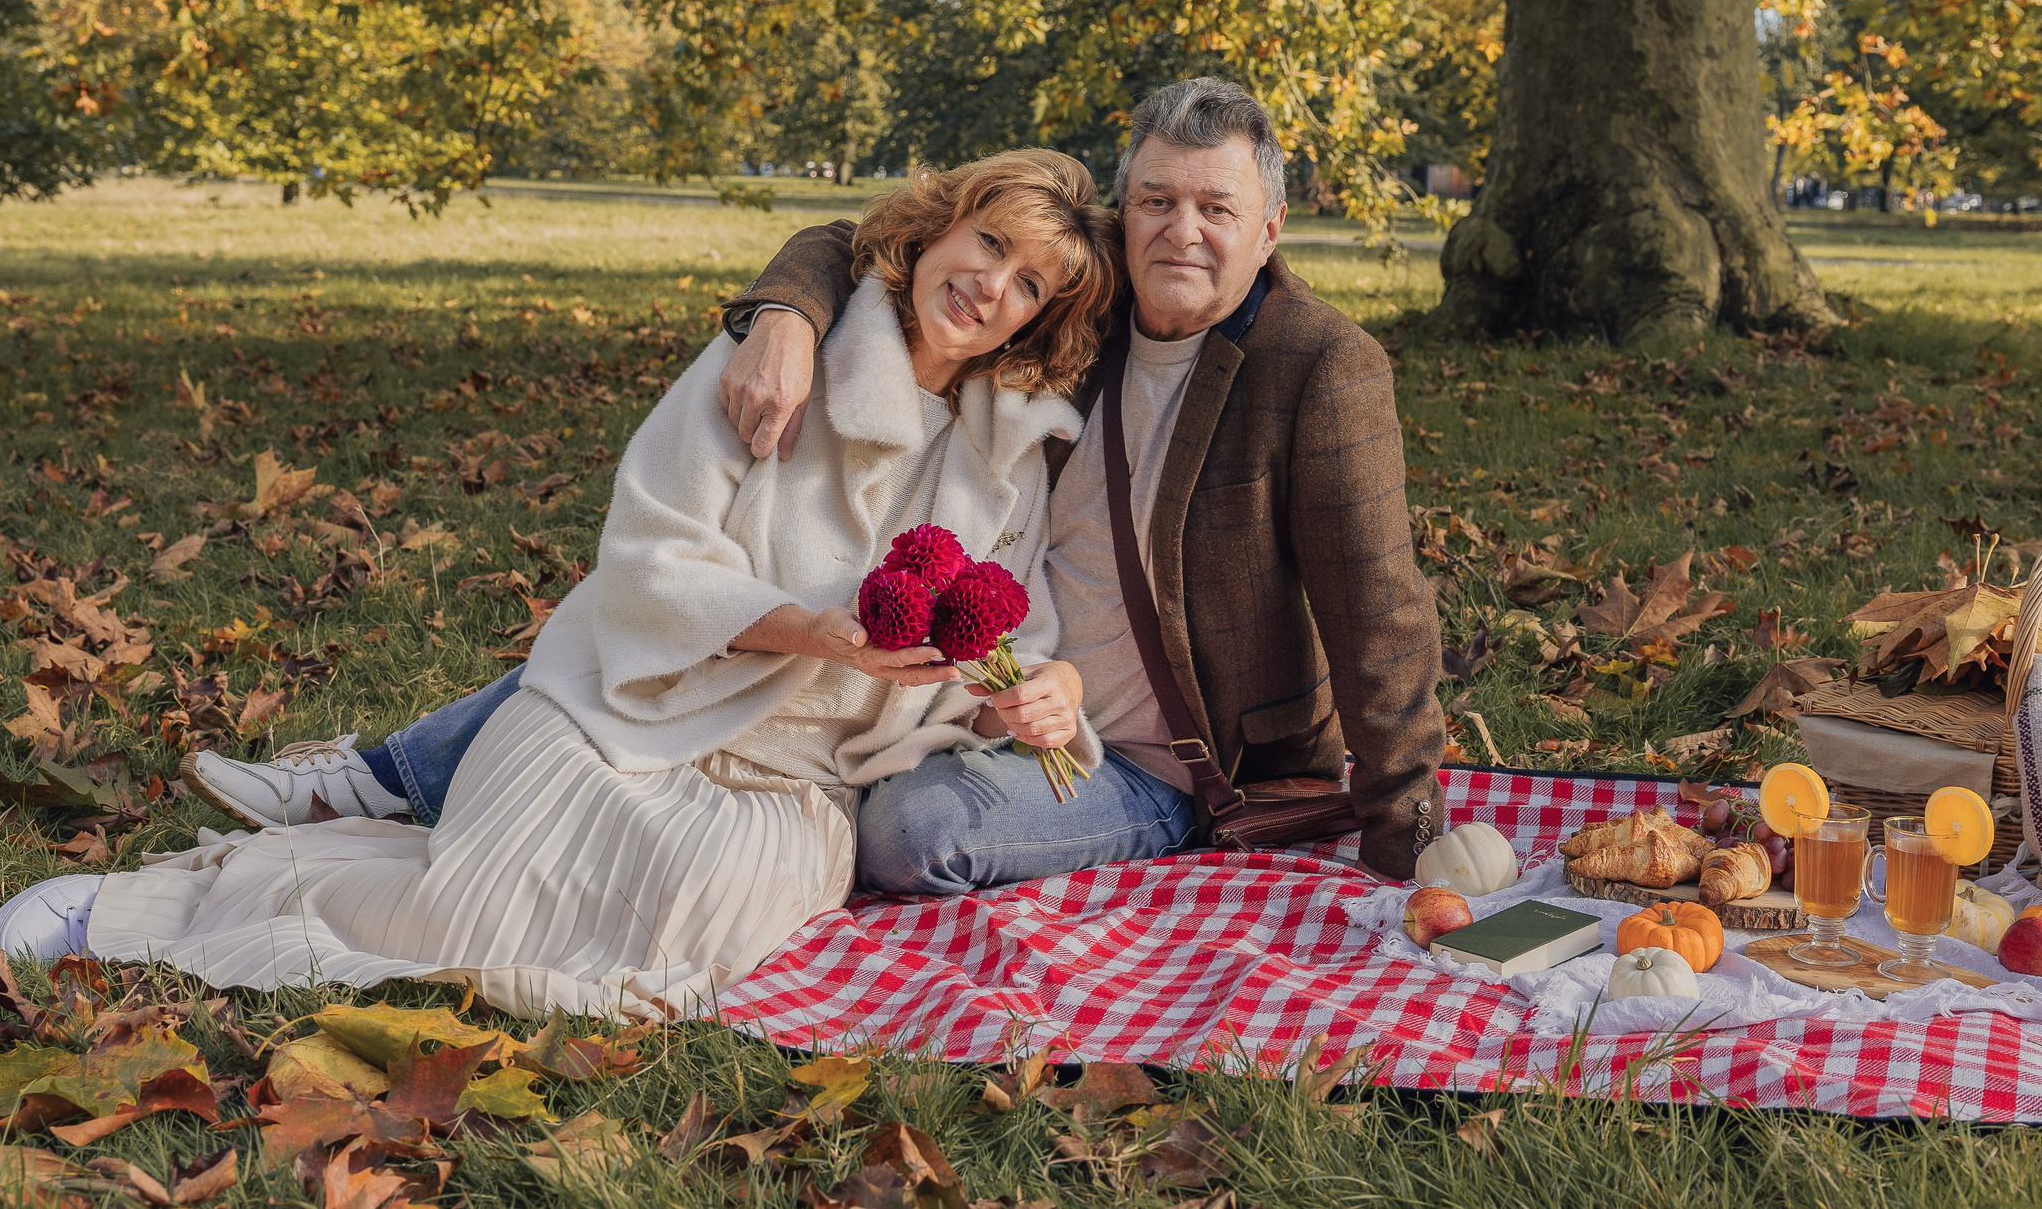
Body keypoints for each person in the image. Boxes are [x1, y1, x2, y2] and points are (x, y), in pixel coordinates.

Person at [159, 78, 1446, 891]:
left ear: (1270, 226)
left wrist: (1407, 834)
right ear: (1121, 221)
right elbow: (872, 238)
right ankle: (387, 773)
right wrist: (778, 313)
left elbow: (1379, 612)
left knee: (903, 838)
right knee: (710, 620)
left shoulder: (1320, 370)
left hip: (1159, 757)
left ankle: (487, 784)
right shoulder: (1081, 303)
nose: (1185, 232)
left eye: (1218, 208)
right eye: (1157, 202)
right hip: (978, 683)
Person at [0, 151, 1120, 1017]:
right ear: (935, 229)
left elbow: (1000, 654)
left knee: (690, 939)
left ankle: (373, 820)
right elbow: (648, 555)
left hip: (794, 782)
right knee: (472, 903)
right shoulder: (780, 360)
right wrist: (809, 633)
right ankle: (149, 908)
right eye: (987, 244)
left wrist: (1032, 697)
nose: (991, 287)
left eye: (1029, 285)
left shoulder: (1010, 455)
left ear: (1040, 318)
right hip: (633, 710)